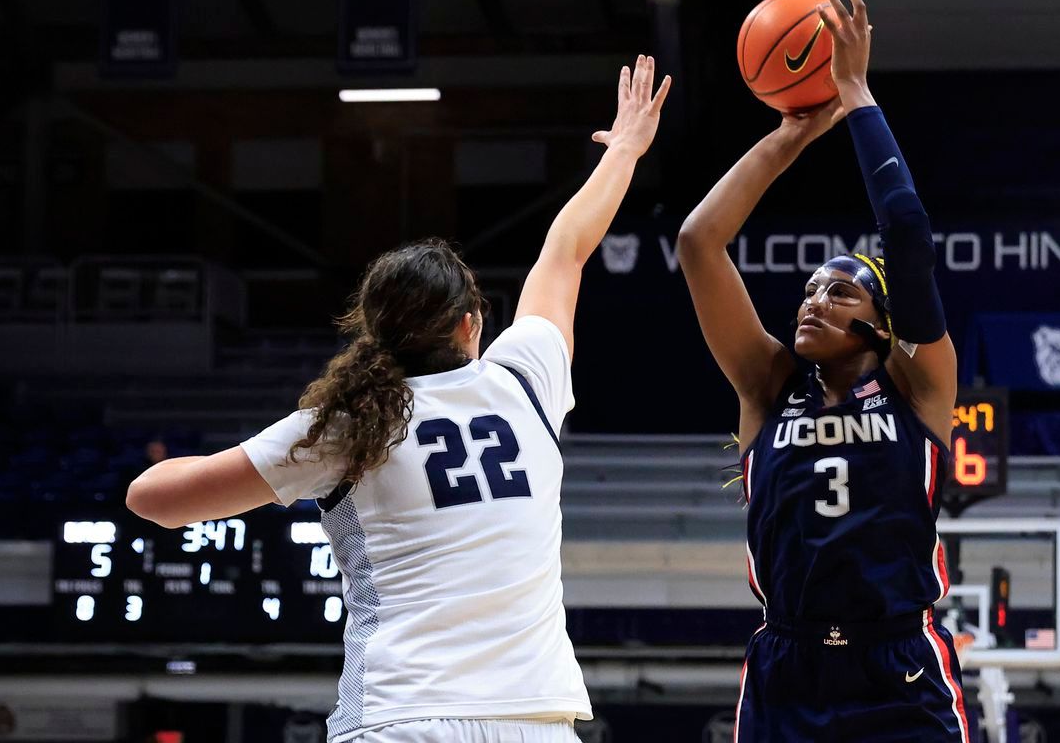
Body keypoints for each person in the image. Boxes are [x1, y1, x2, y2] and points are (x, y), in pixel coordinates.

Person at [126, 55, 671, 743]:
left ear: (376, 333)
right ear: (473, 324)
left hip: (402, 715)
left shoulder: (345, 426)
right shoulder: (525, 381)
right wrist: (624, 148)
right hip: (532, 721)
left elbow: (153, 500)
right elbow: (564, 252)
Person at [677, 0, 969, 742]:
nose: (813, 301)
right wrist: (793, 132)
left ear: (881, 323)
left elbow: (903, 226)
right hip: (788, 664)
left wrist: (853, 92)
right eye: (807, 290)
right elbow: (698, 243)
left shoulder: (919, 384)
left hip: (900, 665)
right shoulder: (766, 385)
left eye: (839, 293)